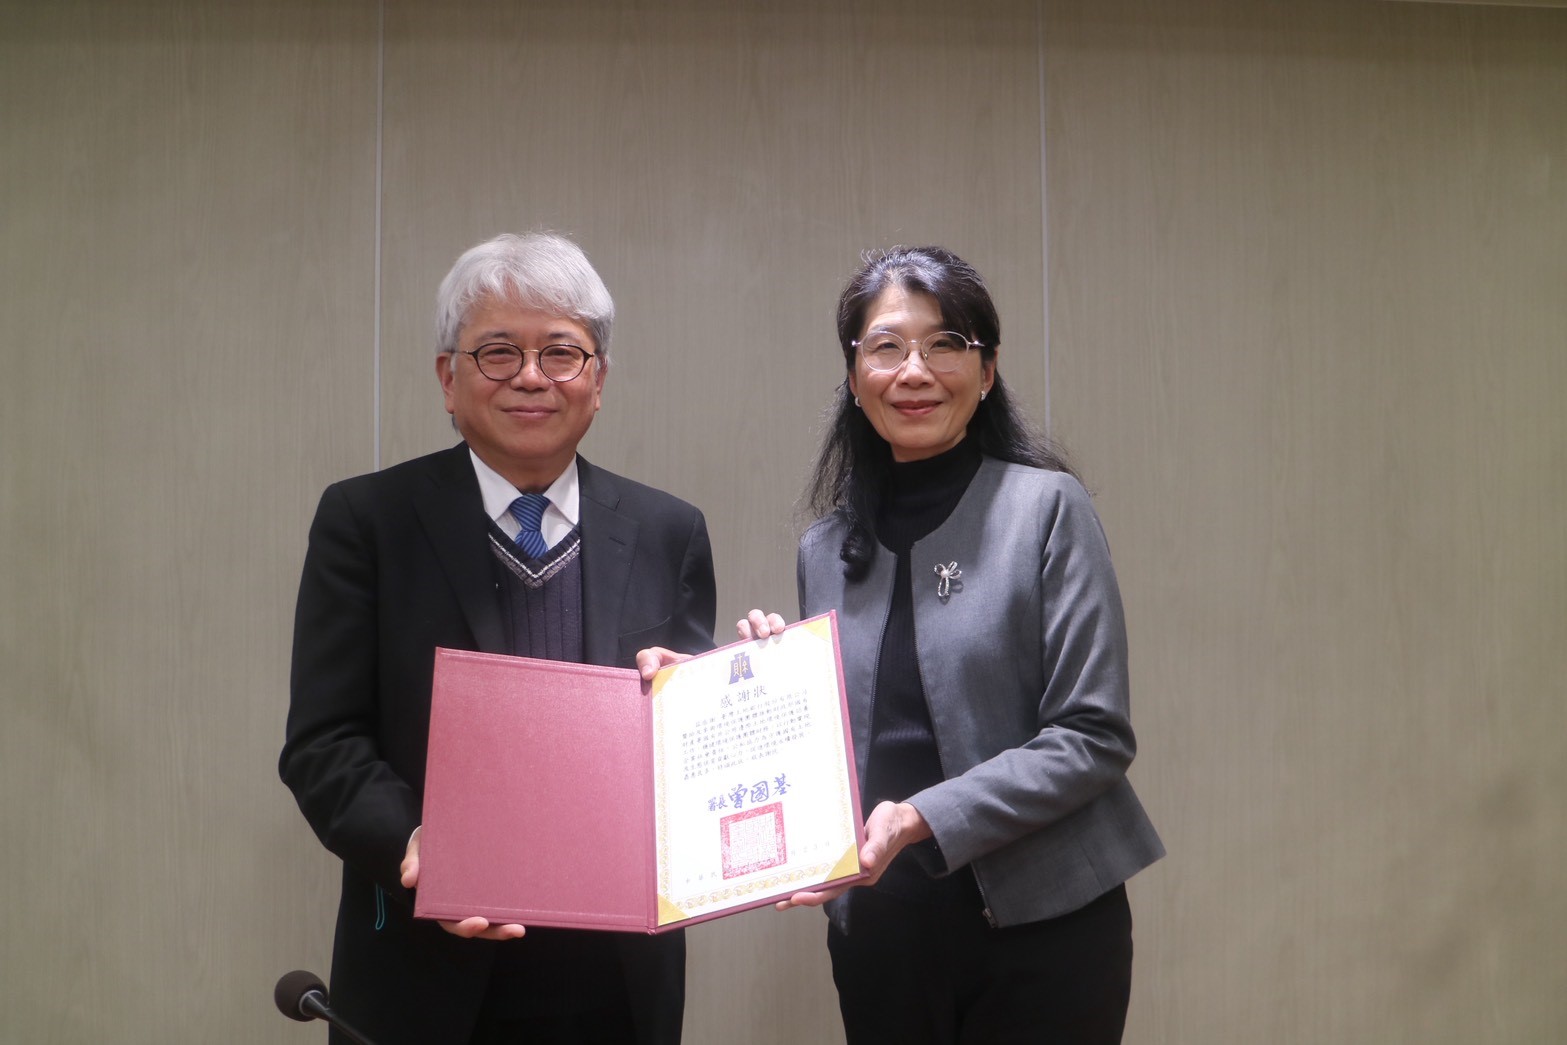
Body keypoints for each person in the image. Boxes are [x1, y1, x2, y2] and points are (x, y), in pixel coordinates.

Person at [280, 232, 715, 1045]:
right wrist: (420, 851)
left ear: (599, 378)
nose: (530, 376)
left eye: (561, 352)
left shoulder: (668, 531)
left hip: (615, 980)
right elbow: (324, 743)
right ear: (448, 377)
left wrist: (728, 693)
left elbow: (683, 753)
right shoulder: (366, 522)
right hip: (424, 970)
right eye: (497, 351)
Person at [741, 246, 1164, 1043]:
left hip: (1046, 929)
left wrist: (918, 818)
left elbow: (1092, 736)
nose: (915, 370)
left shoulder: (1045, 509)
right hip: (883, 937)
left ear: (987, 368)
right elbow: (829, 749)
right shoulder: (825, 550)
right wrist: (755, 679)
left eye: (945, 344)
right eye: (887, 346)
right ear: (853, 373)